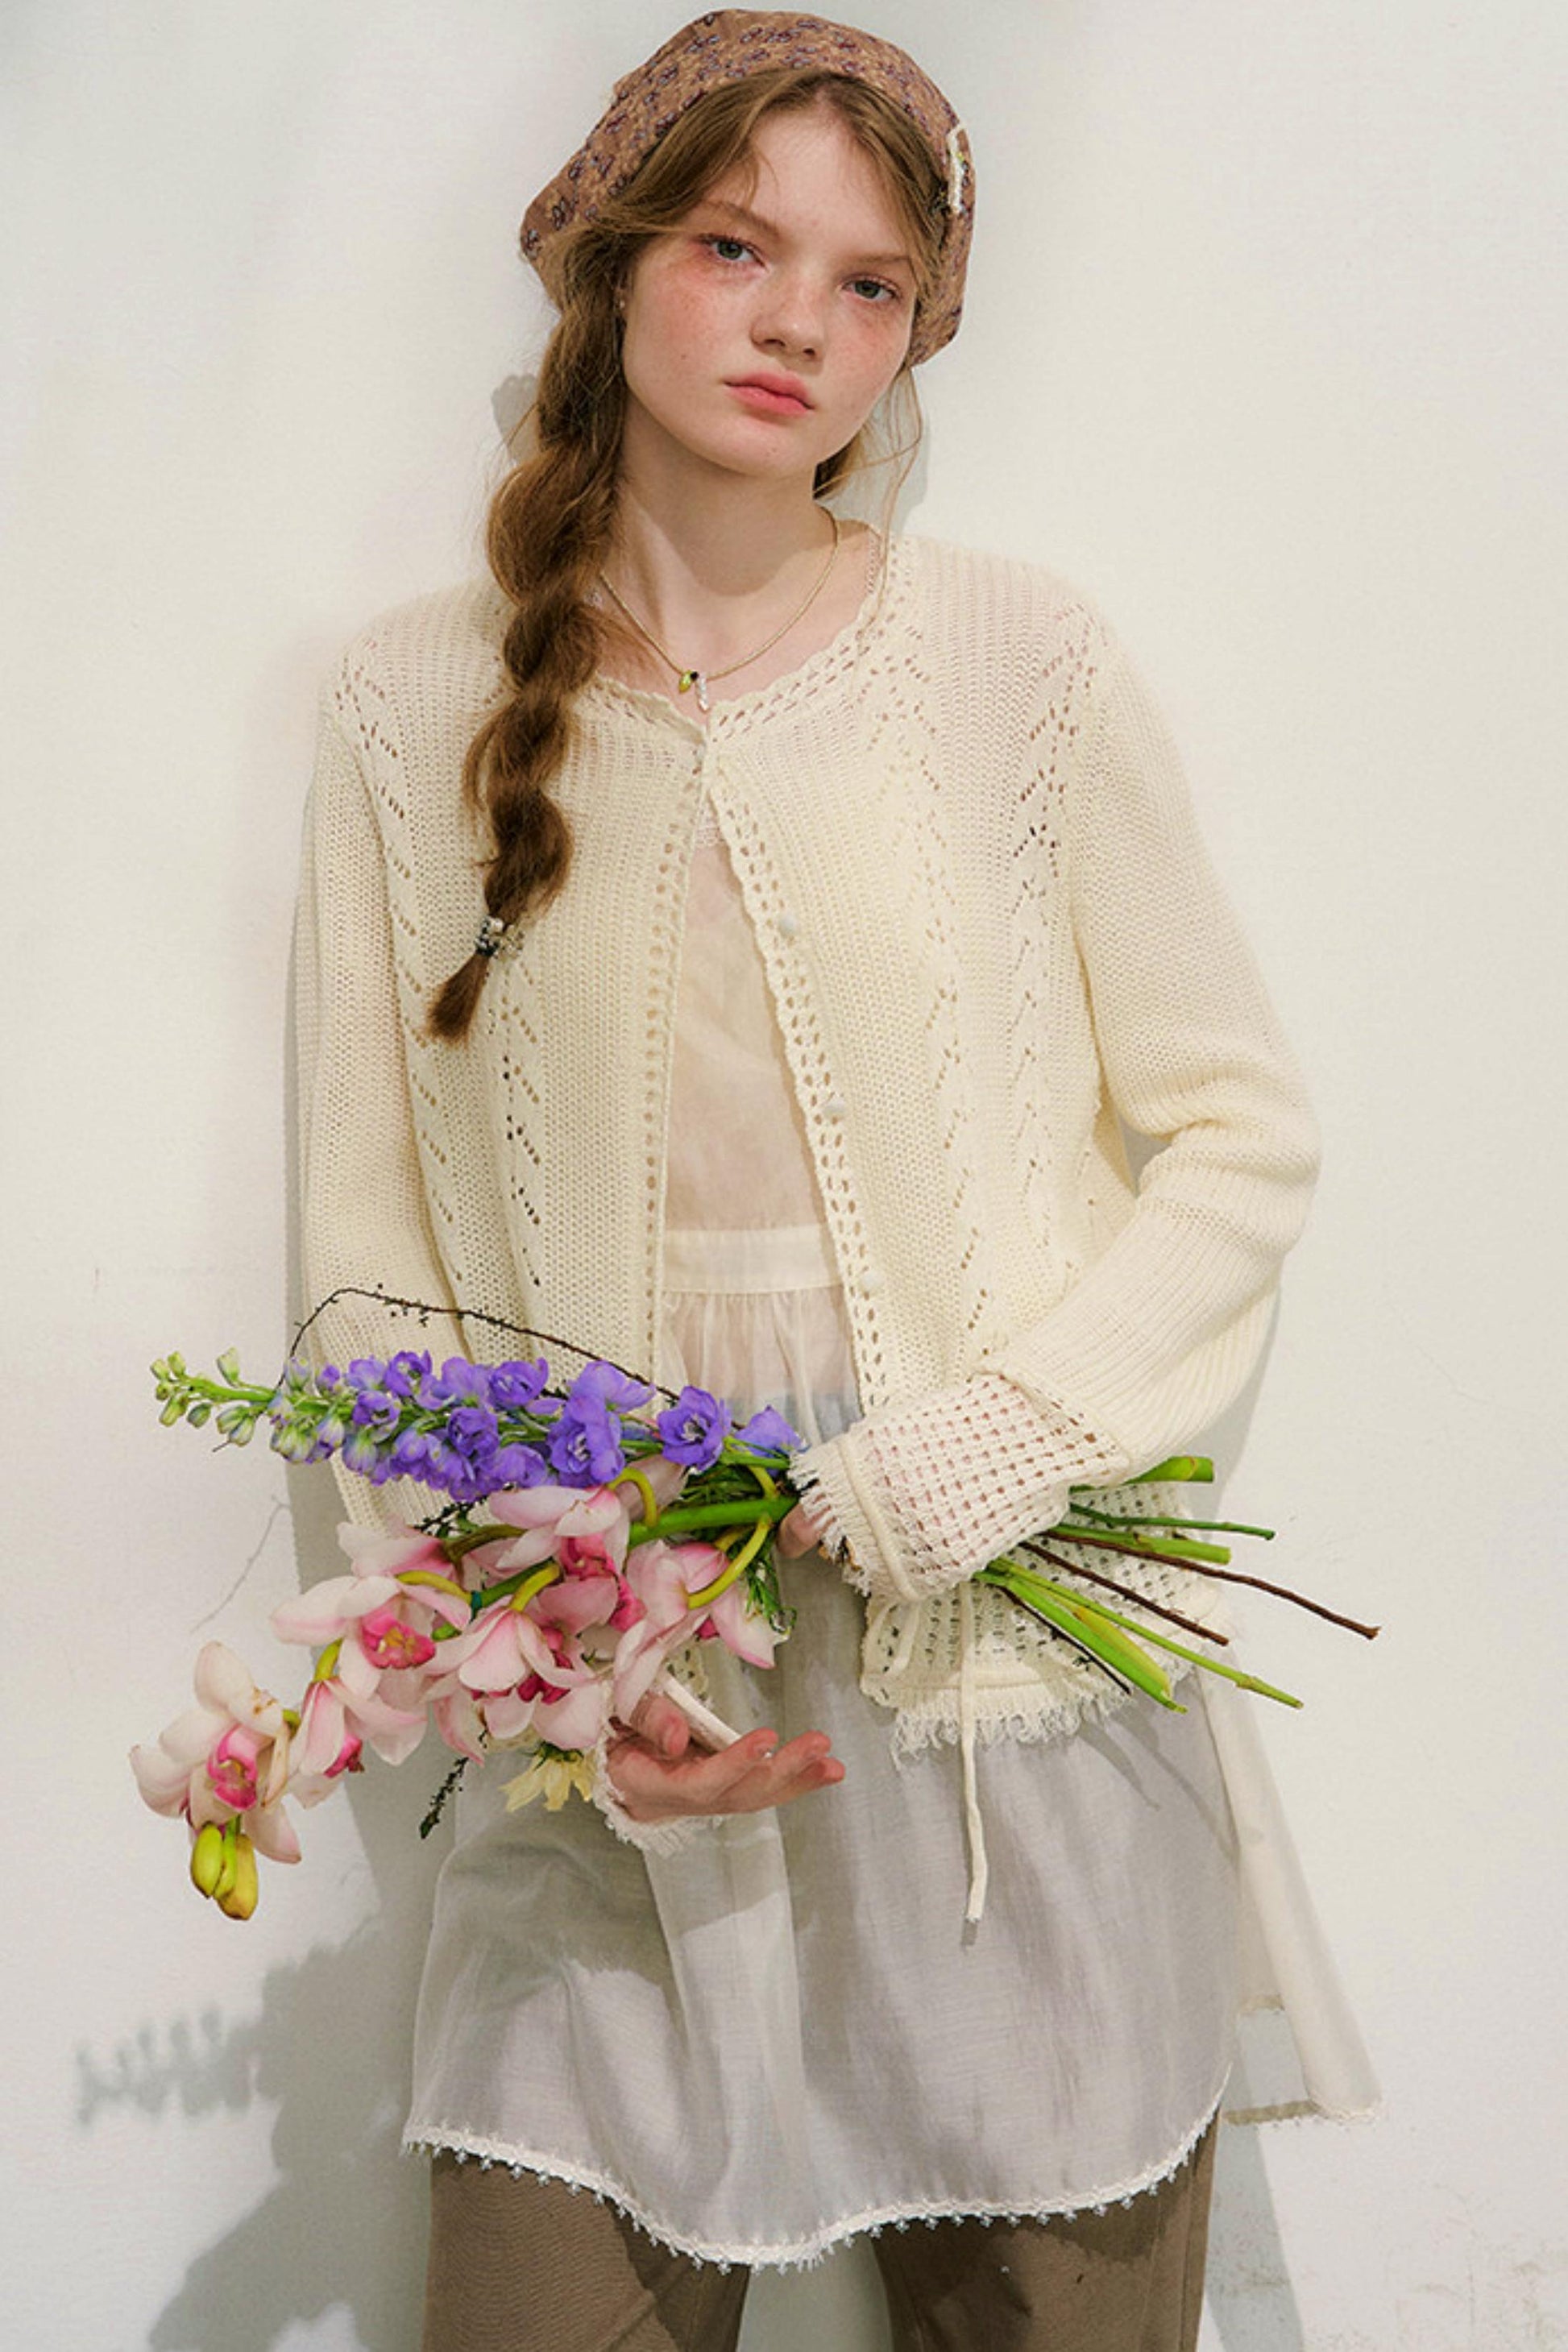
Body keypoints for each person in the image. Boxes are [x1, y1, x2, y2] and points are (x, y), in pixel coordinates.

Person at [292, 13, 1377, 2348]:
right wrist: (553, 1652)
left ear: (914, 333)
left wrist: (989, 1449)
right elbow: (371, 1272)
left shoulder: (1016, 662)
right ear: (609, 260)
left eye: (870, 284)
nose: (799, 320)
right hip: (622, 1694)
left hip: (1002, 1677)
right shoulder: (409, 704)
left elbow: (1238, 1132)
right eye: (734, 245)